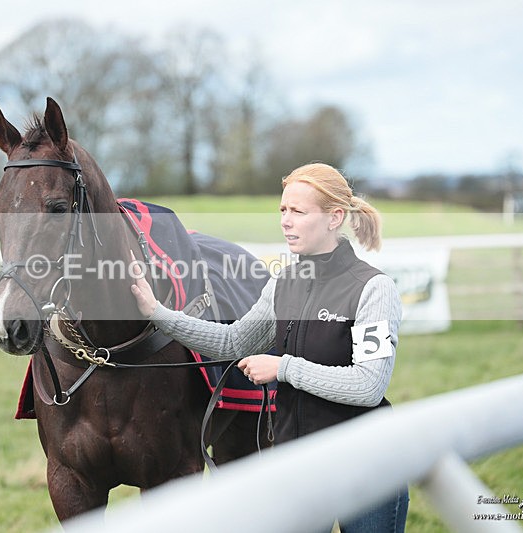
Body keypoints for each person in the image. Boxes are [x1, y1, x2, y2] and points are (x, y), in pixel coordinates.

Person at [130, 162, 408, 532]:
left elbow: (368, 386)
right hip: (298, 467)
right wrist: (159, 314)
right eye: (282, 210)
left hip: (369, 463)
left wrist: (283, 368)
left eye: (298, 211)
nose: (286, 221)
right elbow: (233, 341)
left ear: (334, 217)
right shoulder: (284, 284)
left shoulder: (373, 289)